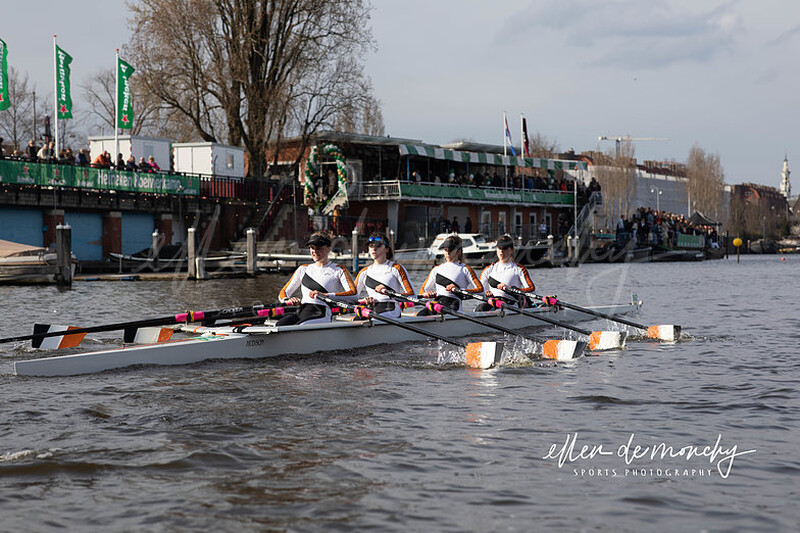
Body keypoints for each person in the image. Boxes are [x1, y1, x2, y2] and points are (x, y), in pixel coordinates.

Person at [276, 232, 357, 326]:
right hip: (301, 311)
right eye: (312, 247)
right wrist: (287, 300)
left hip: (322, 312)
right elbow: (283, 293)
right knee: (279, 325)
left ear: (328, 248)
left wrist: (326, 295)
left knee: (300, 326)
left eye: (318, 248)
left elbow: (354, 294)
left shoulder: (338, 270)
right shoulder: (303, 269)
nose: (314, 251)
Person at [417, 234, 483, 315]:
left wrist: (461, 290)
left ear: (458, 251)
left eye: (451, 250)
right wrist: (426, 294)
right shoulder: (436, 269)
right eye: (445, 249)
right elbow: (422, 290)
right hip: (437, 303)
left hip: (453, 305)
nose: (447, 252)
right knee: (419, 315)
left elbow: (481, 290)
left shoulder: (465, 269)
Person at [354, 232, 414, 319]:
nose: (374, 249)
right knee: (355, 320)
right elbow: (352, 297)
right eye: (371, 246)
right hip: (371, 308)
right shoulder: (364, 272)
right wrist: (364, 300)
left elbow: (412, 296)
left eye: (378, 246)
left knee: (374, 319)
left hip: (391, 308)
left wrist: (389, 292)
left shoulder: (396, 268)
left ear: (386, 249)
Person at [474, 234, 536, 311]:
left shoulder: (519, 269)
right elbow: (478, 291)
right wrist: (485, 293)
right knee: (480, 308)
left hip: (511, 304)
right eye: (499, 248)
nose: (501, 251)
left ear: (512, 250)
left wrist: (513, 289)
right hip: (494, 303)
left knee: (499, 310)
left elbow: (532, 290)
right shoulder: (489, 270)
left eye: (505, 248)